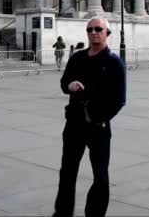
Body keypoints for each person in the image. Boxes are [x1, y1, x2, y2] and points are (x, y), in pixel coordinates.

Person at [53, 17, 126, 217]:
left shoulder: (114, 62)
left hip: (98, 126)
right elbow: (63, 82)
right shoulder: (77, 58)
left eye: (98, 29)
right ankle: (63, 212)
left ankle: (94, 213)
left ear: (107, 33)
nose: (94, 32)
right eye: (90, 29)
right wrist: (69, 86)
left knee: (100, 175)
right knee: (67, 171)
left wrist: (99, 117)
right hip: (74, 123)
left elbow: (119, 100)